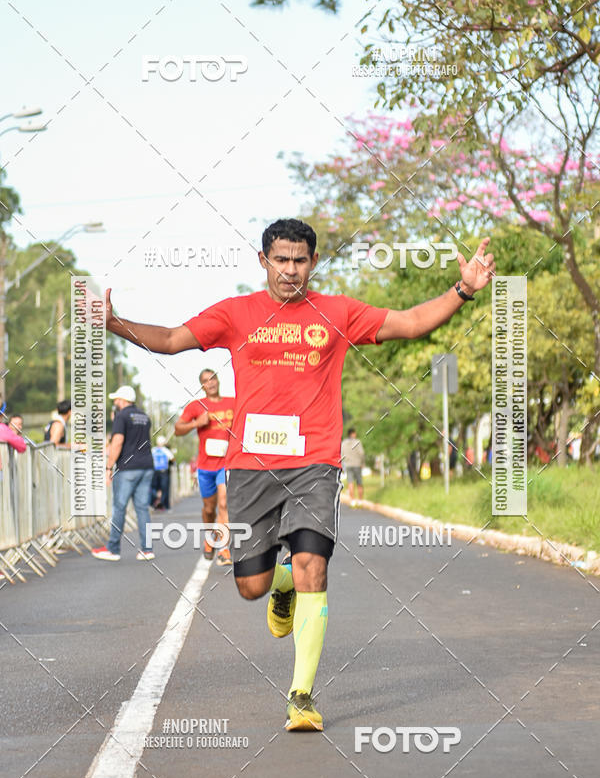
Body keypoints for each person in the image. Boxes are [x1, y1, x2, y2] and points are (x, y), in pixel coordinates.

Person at [104, 218, 495, 730]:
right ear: (263, 260)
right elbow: (174, 338)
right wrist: (115, 324)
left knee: (314, 560)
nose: (291, 270)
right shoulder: (236, 313)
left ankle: (302, 695)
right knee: (251, 586)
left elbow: (409, 322)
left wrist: (463, 289)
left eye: (300, 260)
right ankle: (280, 582)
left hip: (315, 462)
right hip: (249, 468)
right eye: (281, 260)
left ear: (313, 262)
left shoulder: (336, 311)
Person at [174, 370, 235, 566]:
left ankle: (224, 548)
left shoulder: (233, 403)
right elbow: (177, 429)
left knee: (224, 503)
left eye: (214, 378)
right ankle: (210, 538)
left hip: (226, 463)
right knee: (209, 508)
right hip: (205, 466)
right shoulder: (196, 406)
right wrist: (196, 423)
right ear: (202, 386)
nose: (211, 383)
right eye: (206, 381)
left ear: (218, 380)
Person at [92, 385, 155, 562]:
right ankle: (147, 549)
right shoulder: (144, 416)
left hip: (128, 467)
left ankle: (113, 548)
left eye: (116, 399)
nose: (115, 402)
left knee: (119, 507)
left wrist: (108, 467)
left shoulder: (122, 416)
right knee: (142, 508)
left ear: (122, 400)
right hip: (146, 465)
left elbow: (117, 441)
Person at [340, 427, 365, 505]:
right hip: (357, 464)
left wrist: (343, 464)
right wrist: (363, 463)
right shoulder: (357, 442)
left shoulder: (344, 443)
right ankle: (360, 501)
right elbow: (362, 453)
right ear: (353, 434)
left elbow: (341, 454)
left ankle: (352, 501)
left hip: (348, 465)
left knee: (350, 482)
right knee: (359, 482)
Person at [151, 435, 174, 510]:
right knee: (164, 488)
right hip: (164, 472)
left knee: (154, 488)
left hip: (154, 471)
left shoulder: (153, 450)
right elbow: (172, 459)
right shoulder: (165, 450)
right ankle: (163, 504)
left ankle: (156, 501)